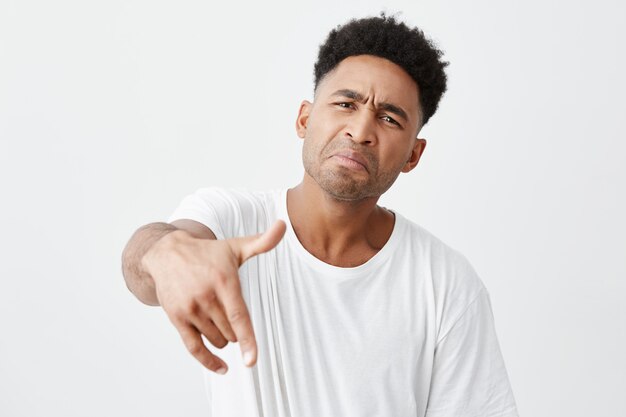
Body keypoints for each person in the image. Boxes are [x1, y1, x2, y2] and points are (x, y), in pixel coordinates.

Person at [122, 13, 519, 417]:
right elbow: (144, 260)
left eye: (389, 118)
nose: (361, 129)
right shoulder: (231, 220)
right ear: (305, 119)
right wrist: (166, 255)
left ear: (413, 156)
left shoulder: (447, 284)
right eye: (346, 104)